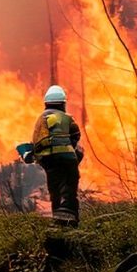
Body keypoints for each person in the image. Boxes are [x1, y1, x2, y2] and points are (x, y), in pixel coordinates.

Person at [23, 85, 82, 226]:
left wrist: (31, 155)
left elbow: (37, 141)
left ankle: (58, 219)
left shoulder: (42, 119)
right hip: (68, 159)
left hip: (50, 160)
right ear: (62, 103)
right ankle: (71, 219)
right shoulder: (67, 118)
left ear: (46, 103)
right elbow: (76, 135)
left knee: (55, 189)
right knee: (70, 187)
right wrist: (71, 149)